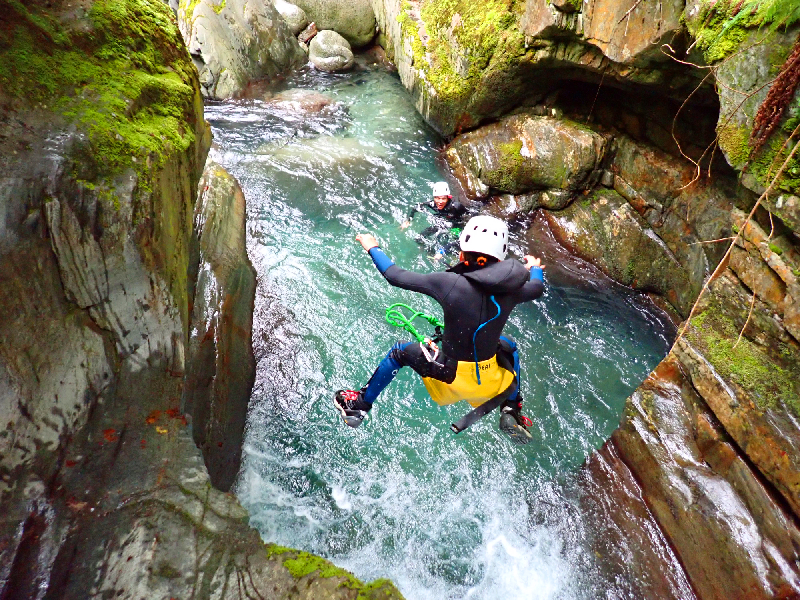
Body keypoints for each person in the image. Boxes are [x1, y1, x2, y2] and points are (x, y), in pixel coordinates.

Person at [334, 215, 545, 444]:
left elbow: (394, 275)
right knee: (509, 344)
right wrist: (534, 268)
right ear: (500, 259)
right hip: (491, 379)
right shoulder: (514, 290)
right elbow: (537, 287)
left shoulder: (448, 282)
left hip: (450, 374)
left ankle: (359, 405)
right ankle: (512, 407)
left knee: (399, 352)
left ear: (462, 255)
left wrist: (372, 247)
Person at [401, 181, 467, 259]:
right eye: (437, 198)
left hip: (455, 226)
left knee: (456, 243)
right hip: (441, 224)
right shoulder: (432, 204)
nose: (440, 202)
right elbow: (416, 207)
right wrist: (408, 220)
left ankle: (454, 255)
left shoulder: (456, 206)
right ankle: (429, 252)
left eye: (443, 199)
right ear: (434, 197)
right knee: (419, 238)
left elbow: (469, 215)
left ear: (448, 197)